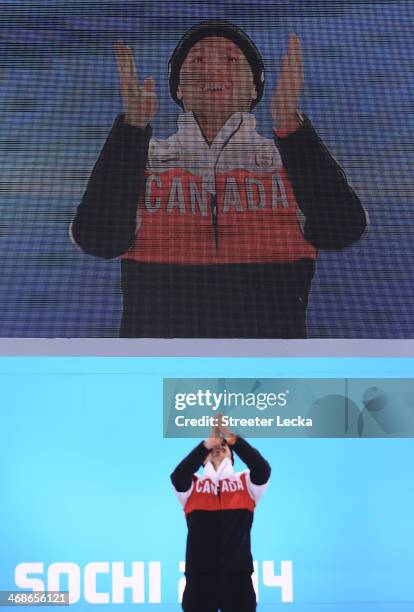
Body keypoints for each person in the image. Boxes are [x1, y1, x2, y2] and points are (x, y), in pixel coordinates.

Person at [71, 20, 367, 338]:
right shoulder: (140, 158)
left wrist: (290, 124)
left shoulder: (293, 157)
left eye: (231, 60)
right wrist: (132, 127)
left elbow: (343, 231)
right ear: (178, 88)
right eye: (197, 60)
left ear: (256, 87)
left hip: (269, 373)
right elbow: (97, 241)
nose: (213, 69)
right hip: (155, 370)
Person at [170, 417, 271, 611]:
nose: (219, 447)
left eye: (224, 447)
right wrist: (207, 443)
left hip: (238, 578)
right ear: (203, 460)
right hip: (199, 578)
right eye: (212, 449)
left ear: (232, 458)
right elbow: (178, 477)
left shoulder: (246, 482)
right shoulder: (192, 485)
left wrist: (231, 438)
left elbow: (262, 470)